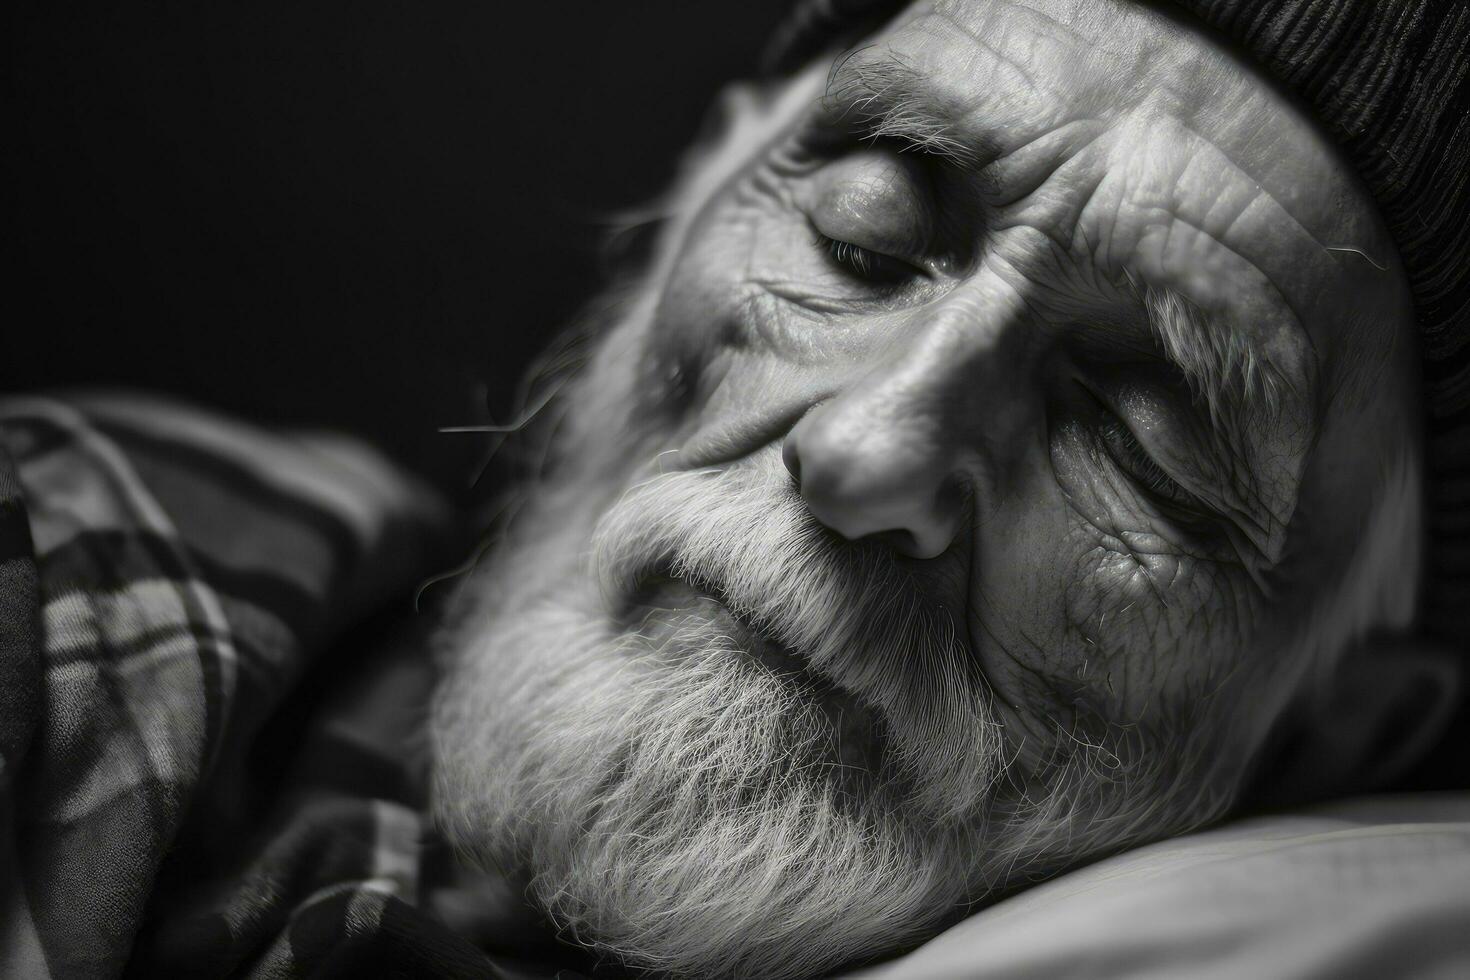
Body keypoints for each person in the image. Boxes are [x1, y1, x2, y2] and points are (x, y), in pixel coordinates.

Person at [1, 1, 1466, 978]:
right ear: (680, 218)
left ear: (1339, 729)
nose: (864, 455)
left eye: (1136, 443)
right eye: (859, 238)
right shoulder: (85, 570)